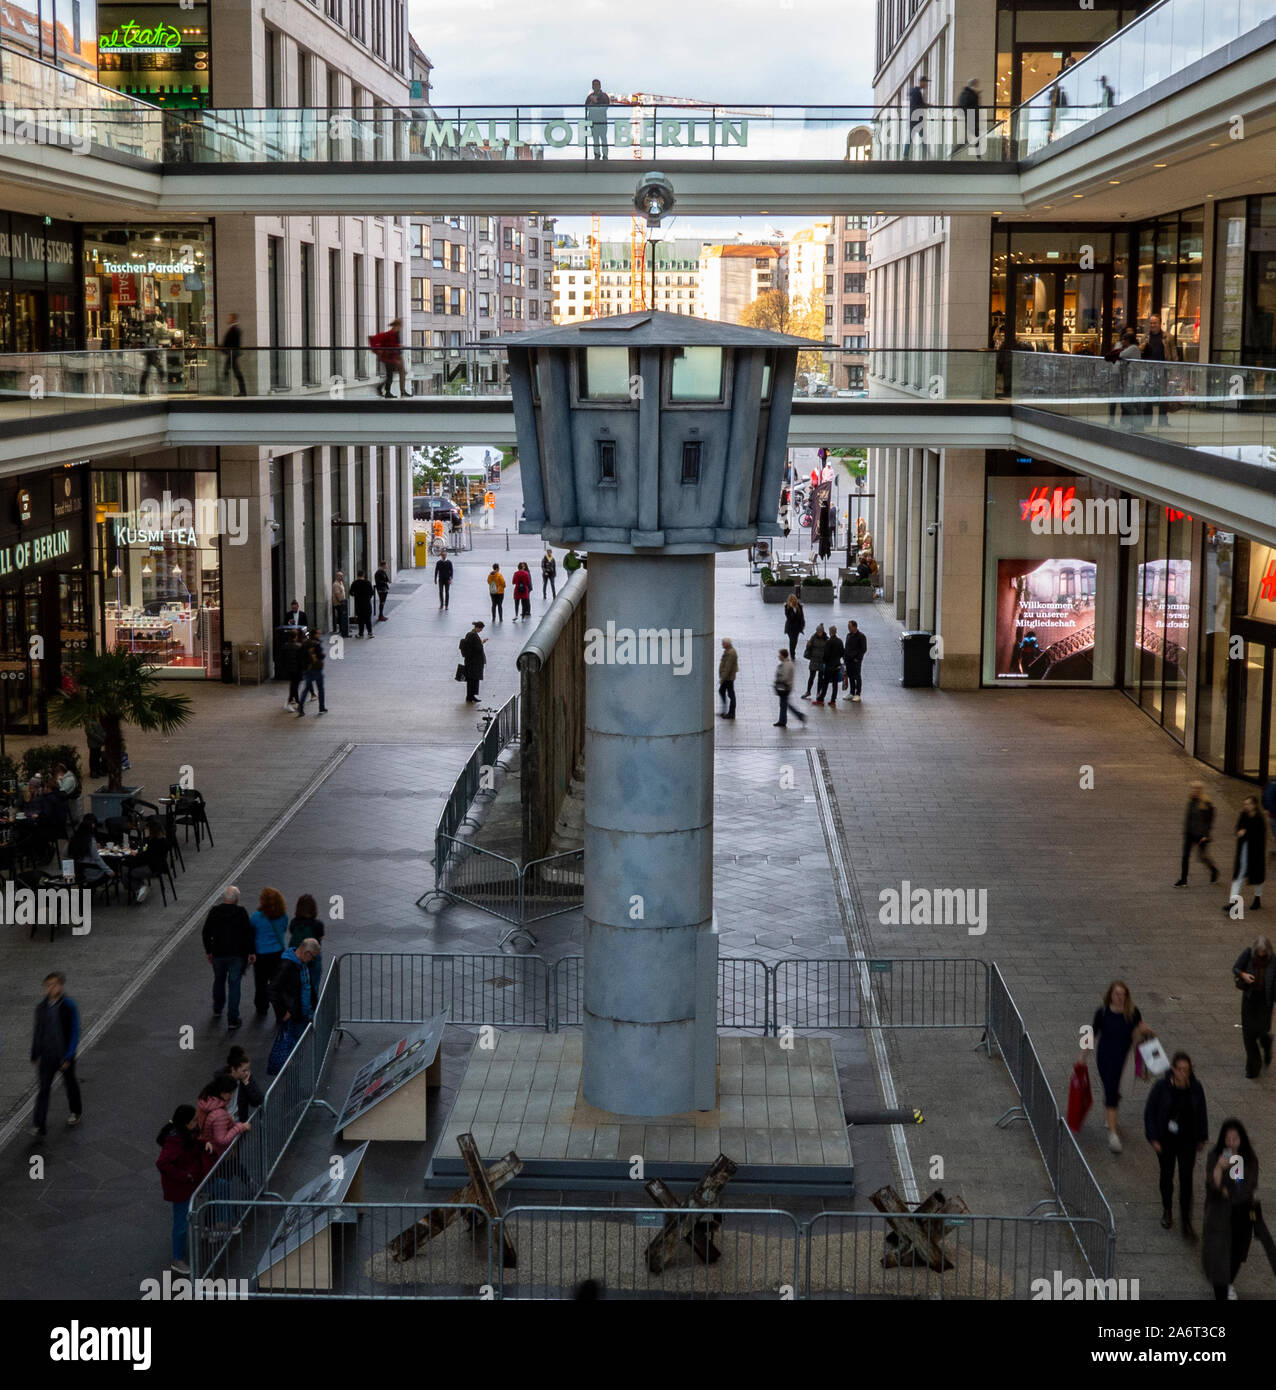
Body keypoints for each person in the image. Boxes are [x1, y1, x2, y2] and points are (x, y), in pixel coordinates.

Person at [1145, 1051, 1208, 1236]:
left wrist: (1202, 1137)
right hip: (1166, 1140)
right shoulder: (1161, 1087)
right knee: (1166, 1176)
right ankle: (1167, 1209)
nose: (1182, 1073)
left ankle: (1186, 1219)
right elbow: (1150, 1113)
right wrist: (1153, 1138)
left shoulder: (1195, 1088)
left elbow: (1201, 1112)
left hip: (1187, 1141)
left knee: (1186, 1179)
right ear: (1173, 1069)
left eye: (1186, 1070)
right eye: (1179, 1069)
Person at [1091, 979, 1154, 1152]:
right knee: (1111, 1089)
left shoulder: (1133, 1014)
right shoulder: (1102, 1013)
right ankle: (1113, 1135)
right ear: (1110, 994)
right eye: (1117, 994)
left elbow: (1139, 1037)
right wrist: (1082, 1056)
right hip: (1105, 1058)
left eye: (1123, 994)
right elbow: (1092, 1033)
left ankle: (1110, 1116)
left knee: (1116, 1091)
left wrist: (1146, 1032)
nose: (1120, 997)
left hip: (1125, 1059)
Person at [1202, 1119, 1259, 1300]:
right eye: (1228, 1139)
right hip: (1219, 1214)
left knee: (1236, 1254)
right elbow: (1212, 1187)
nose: (1231, 1143)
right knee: (1219, 1254)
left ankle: (1228, 1283)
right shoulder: (1215, 1157)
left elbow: (1244, 1189)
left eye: (1235, 1139)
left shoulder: (1248, 1159)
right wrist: (1219, 1168)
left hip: (1241, 1215)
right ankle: (1221, 1285)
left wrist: (1231, 1182)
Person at [29, 971, 81, 1137]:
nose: (50, 988)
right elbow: (38, 1031)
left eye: (53, 985)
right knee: (43, 1089)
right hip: (47, 1055)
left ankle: (76, 1111)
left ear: (60, 986)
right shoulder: (41, 1008)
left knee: (70, 1084)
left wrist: (69, 1055)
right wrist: (35, 1053)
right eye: (47, 985)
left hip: (64, 1054)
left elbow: (74, 1031)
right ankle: (39, 1125)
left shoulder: (69, 1006)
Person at [155, 1104, 205, 1273]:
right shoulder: (175, 1139)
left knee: (183, 1220)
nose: (196, 1123)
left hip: (188, 1183)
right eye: (193, 1121)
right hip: (181, 1187)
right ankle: (178, 1258)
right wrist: (184, 1176)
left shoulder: (183, 1134)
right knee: (181, 1223)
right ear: (185, 1123)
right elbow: (162, 1163)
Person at [202, 885, 256, 1030]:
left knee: (218, 980)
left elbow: (206, 933)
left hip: (218, 953)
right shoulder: (241, 912)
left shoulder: (214, 912)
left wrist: (209, 951)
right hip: (237, 955)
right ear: (236, 899)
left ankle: (218, 1008)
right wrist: (251, 952)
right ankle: (232, 1019)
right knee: (234, 985)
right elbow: (248, 933)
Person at [1233, 936, 1275, 1079]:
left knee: (1262, 1030)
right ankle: (1252, 1067)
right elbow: (1236, 968)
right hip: (1250, 999)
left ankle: (1267, 1043)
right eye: (1259, 952)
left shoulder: (1273, 961)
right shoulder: (1248, 954)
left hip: (1265, 1001)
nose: (1261, 954)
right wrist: (1243, 975)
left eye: (1263, 952)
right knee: (1248, 1035)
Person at [249, 888, 290, 1019]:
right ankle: (280, 1011)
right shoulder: (283, 916)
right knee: (277, 983)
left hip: (261, 955)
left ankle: (261, 1007)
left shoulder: (256, 917)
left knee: (260, 982)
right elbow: (283, 929)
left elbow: (251, 933)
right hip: (278, 953)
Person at [1224, 795, 1266, 914]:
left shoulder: (1259, 819)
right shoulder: (1243, 814)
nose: (1246, 806)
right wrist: (1239, 831)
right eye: (1245, 804)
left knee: (1256, 877)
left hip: (1255, 853)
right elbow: (1238, 827)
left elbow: (1258, 837)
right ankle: (1233, 902)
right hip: (1243, 851)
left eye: (1248, 804)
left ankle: (1257, 898)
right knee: (1238, 875)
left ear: (1254, 805)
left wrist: (1245, 832)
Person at [196, 1074, 249, 1161]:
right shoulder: (220, 1115)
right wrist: (240, 1127)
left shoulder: (204, 1100)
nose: (232, 1096)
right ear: (223, 1093)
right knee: (231, 1169)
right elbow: (222, 1140)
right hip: (220, 1153)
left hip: (207, 1145)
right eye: (230, 1093)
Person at [269, 938, 321, 1027]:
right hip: (293, 1016)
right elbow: (272, 989)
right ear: (307, 953)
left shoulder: (302, 963)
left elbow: (307, 985)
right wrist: (283, 1012)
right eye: (313, 957)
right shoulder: (286, 966)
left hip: (302, 1012)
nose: (312, 960)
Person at [1175, 782, 1218, 887]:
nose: (1195, 790)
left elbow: (1209, 822)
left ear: (1201, 790)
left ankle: (1214, 871)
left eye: (1197, 789)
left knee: (1202, 857)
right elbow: (1189, 818)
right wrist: (1186, 831)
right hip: (1189, 833)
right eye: (1193, 788)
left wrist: (1206, 835)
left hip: (1200, 835)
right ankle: (1183, 879)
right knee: (1185, 856)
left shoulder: (1207, 803)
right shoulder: (1191, 800)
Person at [288, 892, 325, 1001]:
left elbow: (291, 932)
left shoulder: (294, 922)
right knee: (314, 984)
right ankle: (312, 1009)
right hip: (313, 956)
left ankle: (299, 1006)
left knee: (298, 984)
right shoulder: (317, 924)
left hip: (297, 957)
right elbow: (320, 938)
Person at [1142, 314, 1176, 426]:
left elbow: (1174, 355)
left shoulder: (1168, 337)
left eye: (1155, 323)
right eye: (1151, 323)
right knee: (1148, 396)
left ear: (1160, 323)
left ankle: (1162, 421)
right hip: (1149, 370)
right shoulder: (1145, 337)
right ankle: (1147, 421)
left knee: (1162, 396)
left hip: (1163, 370)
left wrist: (1174, 370)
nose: (1152, 325)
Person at [67, 814, 114, 890]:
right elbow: (97, 858)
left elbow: (67, 855)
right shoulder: (90, 840)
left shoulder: (74, 838)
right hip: (91, 872)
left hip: (79, 872)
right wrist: (109, 871)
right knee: (110, 866)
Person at [219, 1046, 265, 1124]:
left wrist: (247, 1084)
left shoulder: (245, 1079)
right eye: (244, 1070)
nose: (247, 1073)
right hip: (223, 1123)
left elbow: (258, 1100)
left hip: (238, 1122)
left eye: (248, 1070)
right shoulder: (221, 1080)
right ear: (233, 1069)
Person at [773, 648, 806, 728]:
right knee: (784, 704)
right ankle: (783, 720)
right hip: (786, 687)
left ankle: (798, 716)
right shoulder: (786, 663)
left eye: (779, 654)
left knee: (785, 704)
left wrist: (778, 681)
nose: (778, 656)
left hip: (785, 688)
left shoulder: (786, 665)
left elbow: (785, 676)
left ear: (783, 655)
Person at [296, 631, 327, 715]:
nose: (320, 634)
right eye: (318, 633)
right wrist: (323, 655)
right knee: (320, 688)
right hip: (316, 669)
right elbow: (320, 656)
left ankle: (301, 707)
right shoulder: (316, 644)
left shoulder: (304, 644)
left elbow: (299, 656)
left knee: (306, 689)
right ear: (315, 635)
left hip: (307, 669)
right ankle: (321, 707)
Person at [376, 317, 407, 399]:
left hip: (394, 356)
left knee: (395, 373)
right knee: (391, 375)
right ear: (397, 325)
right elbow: (391, 346)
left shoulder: (395, 333)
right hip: (390, 357)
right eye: (400, 325)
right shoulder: (391, 334)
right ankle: (387, 391)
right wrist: (399, 346)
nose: (401, 327)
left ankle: (388, 390)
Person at [818, 625, 845, 708]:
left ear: (830, 632)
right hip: (837, 665)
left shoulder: (829, 642)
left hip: (829, 666)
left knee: (825, 682)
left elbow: (826, 654)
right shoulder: (840, 641)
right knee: (835, 684)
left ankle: (821, 699)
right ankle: (833, 700)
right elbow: (842, 653)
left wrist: (825, 661)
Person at [221, 312, 247, 397]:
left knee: (232, 372)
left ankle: (240, 391)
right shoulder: (234, 329)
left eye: (230, 318)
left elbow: (232, 342)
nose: (228, 319)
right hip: (232, 353)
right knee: (231, 371)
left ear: (233, 319)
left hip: (233, 353)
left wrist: (223, 348)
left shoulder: (235, 329)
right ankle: (241, 391)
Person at [460, 621, 487, 703]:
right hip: (473, 662)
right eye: (481, 629)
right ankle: (470, 696)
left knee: (473, 680)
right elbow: (476, 648)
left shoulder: (472, 634)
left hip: (472, 662)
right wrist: (482, 643)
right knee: (472, 680)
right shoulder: (472, 635)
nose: (481, 631)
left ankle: (471, 696)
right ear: (478, 627)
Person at [279, 627, 305, 711]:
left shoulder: (285, 646)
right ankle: (290, 701)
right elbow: (301, 659)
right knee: (295, 686)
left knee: (294, 685)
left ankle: (296, 701)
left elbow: (281, 659)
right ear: (296, 636)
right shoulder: (299, 646)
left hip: (289, 669)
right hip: (297, 669)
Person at [585, 78, 610, 161]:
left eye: (597, 85)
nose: (595, 86)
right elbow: (587, 107)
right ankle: (598, 154)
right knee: (596, 138)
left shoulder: (602, 96)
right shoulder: (602, 96)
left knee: (603, 138)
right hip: (596, 121)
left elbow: (605, 107)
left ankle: (604, 154)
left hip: (600, 121)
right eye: (594, 85)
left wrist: (594, 103)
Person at [844, 620, 868, 702]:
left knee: (857, 676)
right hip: (848, 660)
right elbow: (846, 647)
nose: (848, 628)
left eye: (850, 627)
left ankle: (858, 693)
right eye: (848, 627)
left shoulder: (861, 636)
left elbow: (863, 649)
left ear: (854, 627)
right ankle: (852, 692)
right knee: (850, 676)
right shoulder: (848, 635)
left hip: (856, 661)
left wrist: (857, 658)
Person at [802, 624, 827, 698]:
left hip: (822, 660)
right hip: (814, 659)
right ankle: (808, 691)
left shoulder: (826, 639)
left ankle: (818, 692)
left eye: (820, 632)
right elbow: (808, 647)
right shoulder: (813, 637)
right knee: (811, 676)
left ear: (822, 631)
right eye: (817, 632)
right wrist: (808, 645)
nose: (818, 633)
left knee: (820, 677)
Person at [54, 761, 81, 830]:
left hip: (69, 800)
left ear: (60, 772)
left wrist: (58, 781)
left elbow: (62, 790)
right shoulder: (67, 778)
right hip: (68, 799)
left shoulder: (69, 779)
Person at [348, 569, 375, 638]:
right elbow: (372, 593)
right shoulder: (368, 583)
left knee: (360, 619)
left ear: (357, 575)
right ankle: (370, 633)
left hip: (359, 604)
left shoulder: (355, 583)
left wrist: (356, 595)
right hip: (367, 604)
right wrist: (367, 597)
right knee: (368, 619)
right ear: (364, 575)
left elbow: (351, 592)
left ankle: (361, 633)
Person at [782, 594, 805, 668]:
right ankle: (792, 654)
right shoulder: (787, 607)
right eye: (791, 600)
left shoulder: (799, 606)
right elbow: (789, 617)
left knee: (795, 641)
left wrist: (802, 625)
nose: (793, 601)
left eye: (794, 599)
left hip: (797, 628)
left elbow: (802, 616)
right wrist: (790, 608)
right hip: (790, 628)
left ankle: (792, 652)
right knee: (792, 640)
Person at [907, 75, 928, 153]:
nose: (926, 84)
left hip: (913, 117)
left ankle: (906, 155)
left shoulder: (915, 92)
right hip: (917, 118)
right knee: (922, 137)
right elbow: (918, 105)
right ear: (921, 82)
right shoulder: (917, 92)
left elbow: (917, 104)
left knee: (911, 137)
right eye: (925, 82)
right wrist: (926, 105)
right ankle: (926, 156)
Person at [718, 638, 738, 720]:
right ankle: (726, 711)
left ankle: (731, 713)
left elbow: (728, 667)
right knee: (724, 692)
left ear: (727, 644)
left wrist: (722, 678)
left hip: (728, 678)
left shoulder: (731, 653)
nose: (722, 645)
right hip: (728, 677)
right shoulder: (728, 651)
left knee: (729, 694)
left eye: (723, 643)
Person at [331, 570, 349, 638]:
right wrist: (342, 602)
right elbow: (337, 594)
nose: (342, 577)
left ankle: (343, 629)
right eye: (341, 576)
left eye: (342, 576)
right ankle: (341, 629)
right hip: (339, 604)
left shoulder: (341, 583)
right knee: (341, 616)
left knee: (342, 616)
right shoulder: (336, 584)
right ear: (337, 576)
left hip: (342, 603)